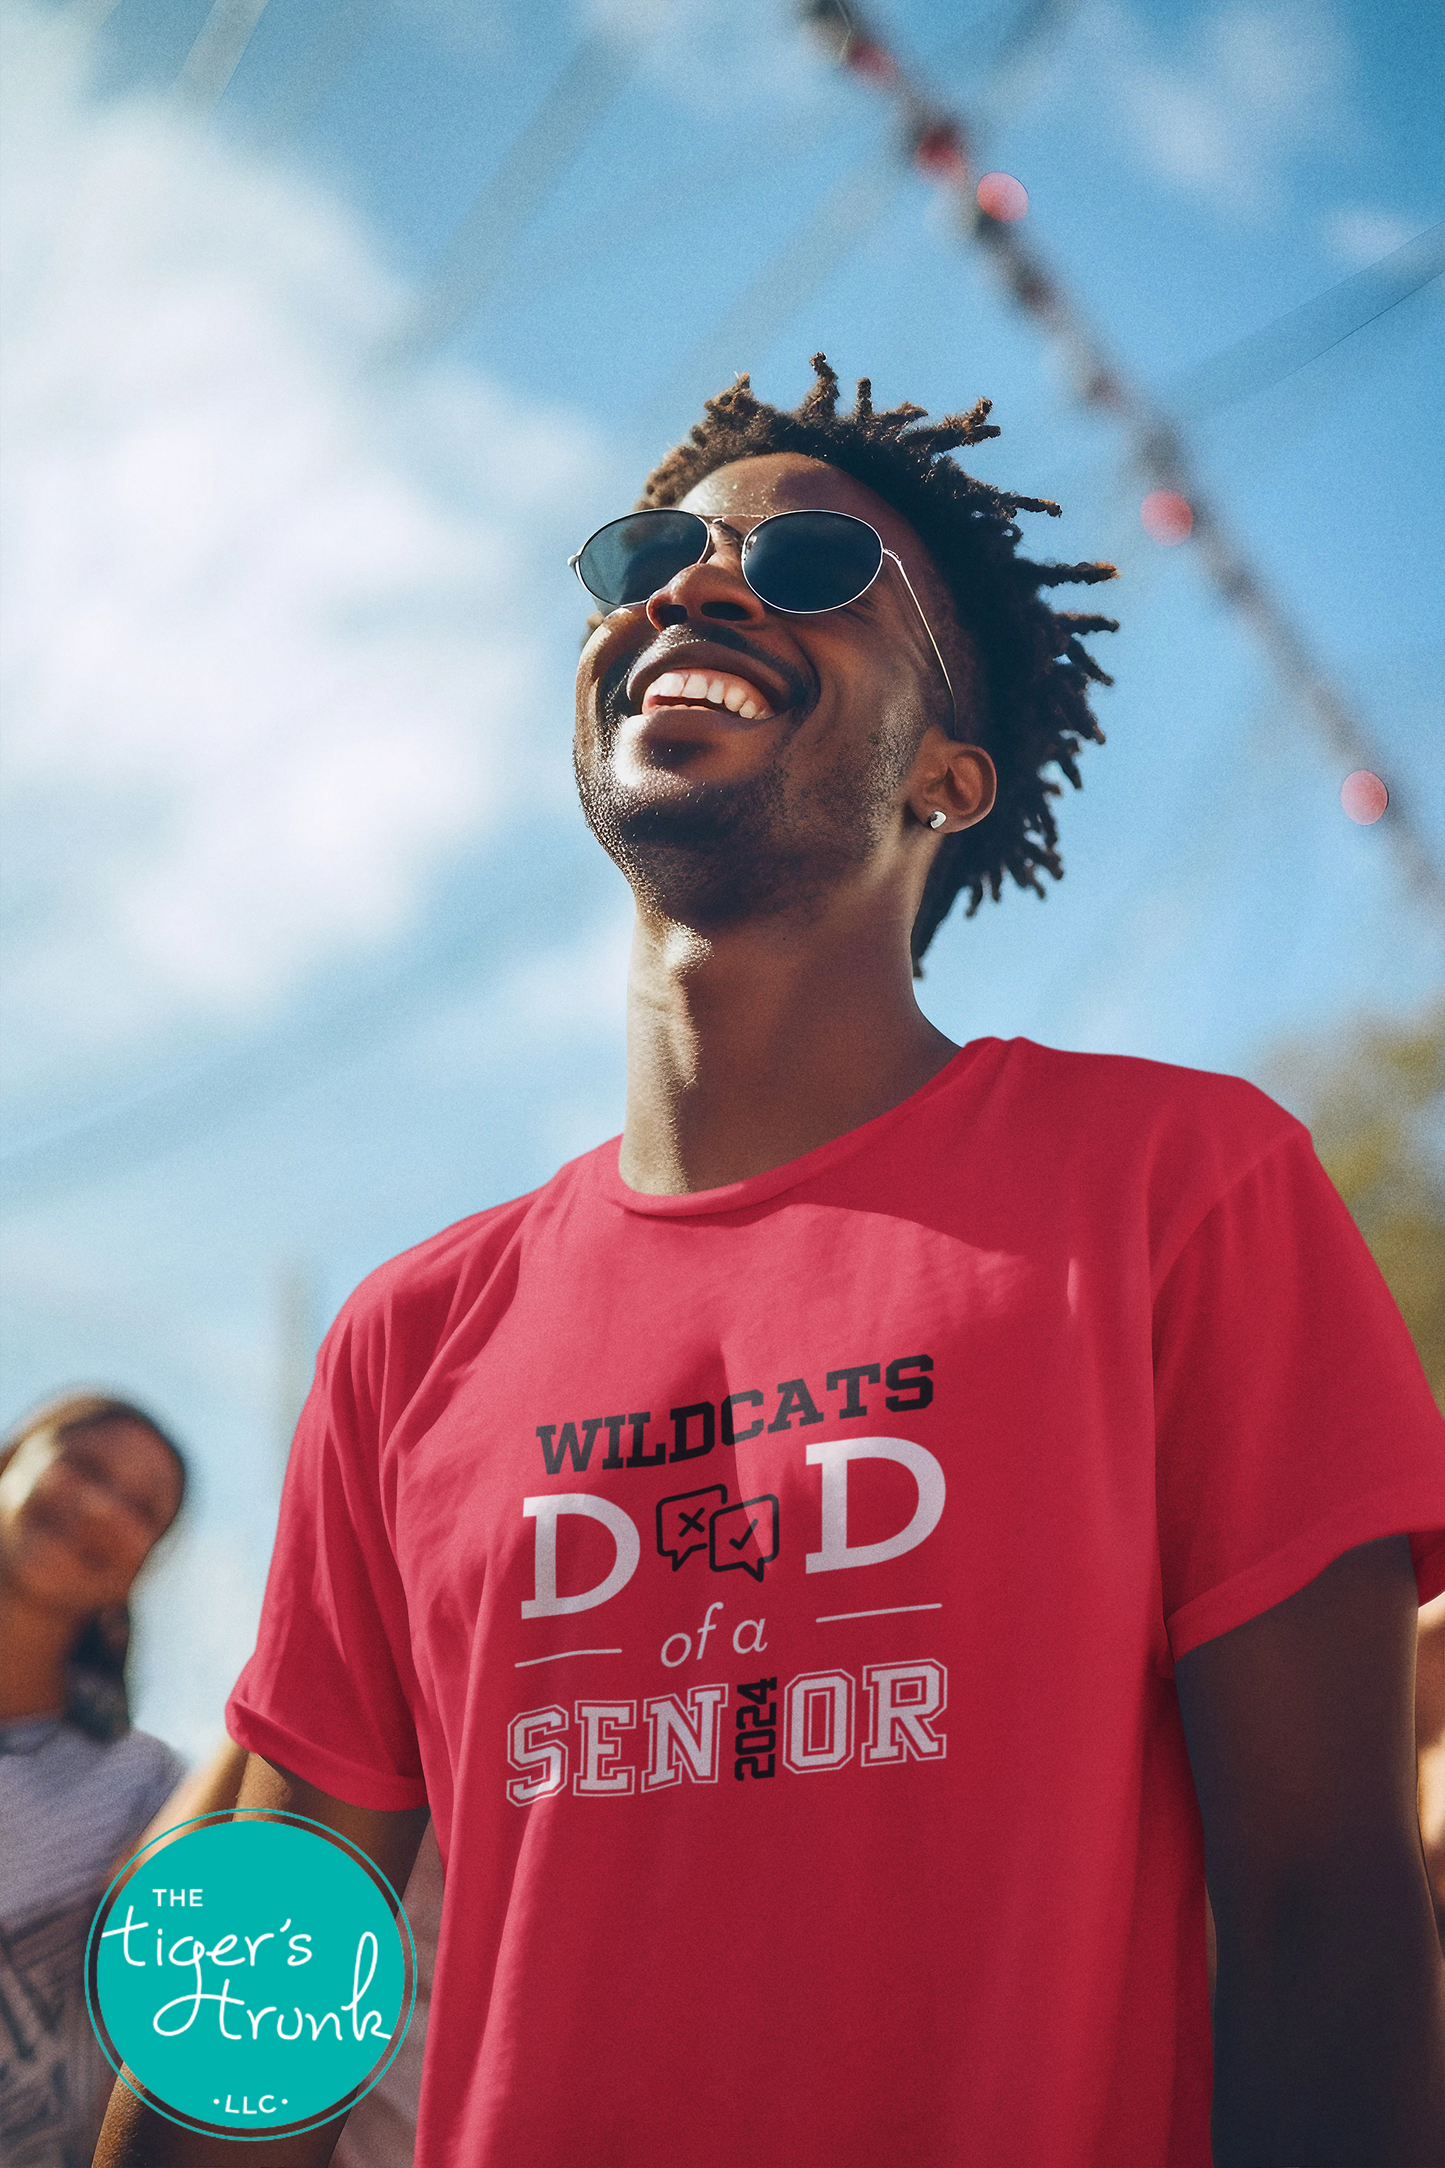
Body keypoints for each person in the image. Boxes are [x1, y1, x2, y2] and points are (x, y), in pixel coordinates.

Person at [97, 358, 1445, 2167]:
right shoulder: (410, 1337)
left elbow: (1325, 1917)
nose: (699, 585)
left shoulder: (1177, 1190)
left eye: (816, 568)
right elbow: (253, 2004)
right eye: (658, 551)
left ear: (950, 775)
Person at [0, 1390, 187, 2168]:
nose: (104, 1509)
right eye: (83, 1466)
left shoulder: (154, 1793)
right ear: (13, 1461)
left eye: (142, 1509)